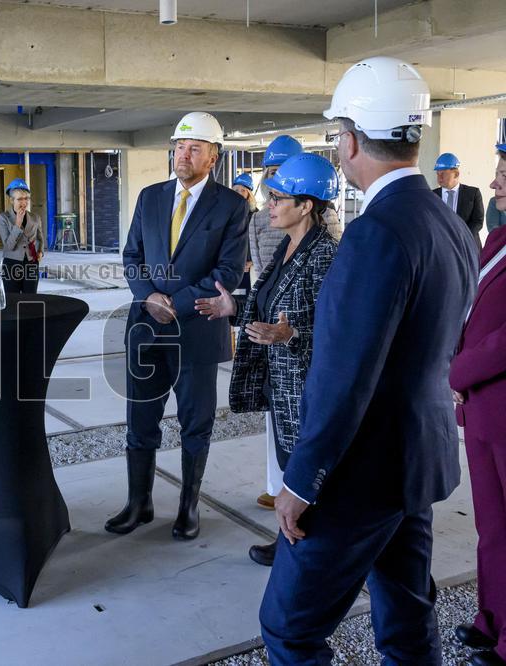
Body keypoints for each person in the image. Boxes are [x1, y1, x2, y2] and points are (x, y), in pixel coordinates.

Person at [259, 56, 477, 665]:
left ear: (349, 139)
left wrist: (301, 480)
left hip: (360, 476)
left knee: (288, 629)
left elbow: (343, 377)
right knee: (406, 620)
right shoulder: (448, 221)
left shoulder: (376, 233)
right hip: (416, 463)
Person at [107, 111, 248, 540]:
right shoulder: (150, 197)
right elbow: (131, 256)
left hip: (197, 332)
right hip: (146, 328)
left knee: (196, 423)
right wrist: (149, 297)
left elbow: (229, 272)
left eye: (194, 148)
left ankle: (189, 507)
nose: (182, 155)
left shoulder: (231, 206)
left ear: (214, 157)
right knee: (140, 420)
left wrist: (177, 303)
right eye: (178, 147)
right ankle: (139, 502)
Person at [198, 154, 339, 568]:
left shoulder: (325, 256)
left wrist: (291, 335)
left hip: (306, 386)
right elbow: (269, 306)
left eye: (278, 198)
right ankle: (293, 542)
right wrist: (233, 311)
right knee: (290, 467)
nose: (269, 205)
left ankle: (308, 552)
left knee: (308, 472)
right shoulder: (287, 248)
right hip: (280, 383)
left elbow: (339, 332)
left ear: (306, 206)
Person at [450, 142, 506, 666]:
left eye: (503, 173)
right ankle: (493, 620)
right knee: (491, 526)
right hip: (484, 410)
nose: (493, 184)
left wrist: (457, 369)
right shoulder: (499, 241)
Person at [249, 135, 302, 277]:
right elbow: (261, 275)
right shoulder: (258, 220)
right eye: (274, 172)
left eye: (286, 171)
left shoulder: (323, 214)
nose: (280, 180)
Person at [0, 178, 45, 294]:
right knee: (12, 298)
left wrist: (40, 251)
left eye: (26, 199)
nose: (24, 202)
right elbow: (8, 246)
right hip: (11, 263)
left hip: (31, 263)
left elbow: (40, 238)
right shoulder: (3, 218)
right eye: (19, 199)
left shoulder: (35, 217)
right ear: (11, 200)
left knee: (31, 297)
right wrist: (17, 223)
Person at [433, 152, 486, 249]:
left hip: (468, 247)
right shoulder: (432, 196)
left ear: (456, 174)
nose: (439, 178)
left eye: (443, 174)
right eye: (437, 174)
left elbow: (478, 221)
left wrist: (462, 237)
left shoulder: (473, 193)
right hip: (441, 248)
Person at [232, 172, 258, 293]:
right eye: (236, 189)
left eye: (242, 190)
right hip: (232, 265)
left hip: (250, 267)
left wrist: (250, 261)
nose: (238, 193)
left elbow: (257, 240)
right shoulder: (226, 214)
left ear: (249, 194)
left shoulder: (256, 216)